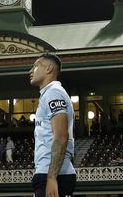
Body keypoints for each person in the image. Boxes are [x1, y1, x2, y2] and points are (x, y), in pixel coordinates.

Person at [29, 53, 76, 197]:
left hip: (53, 175)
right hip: (51, 173)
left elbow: (61, 136)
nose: (30, 71)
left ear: (49, 68)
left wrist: (51, 177)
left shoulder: (53, 93)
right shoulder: (49, 93)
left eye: (36, 66)